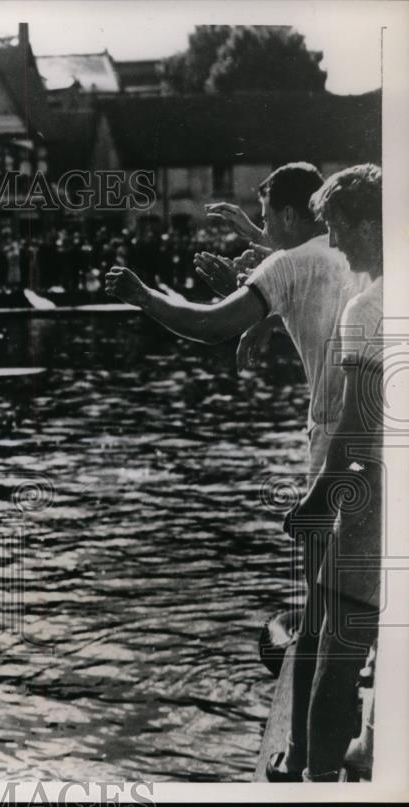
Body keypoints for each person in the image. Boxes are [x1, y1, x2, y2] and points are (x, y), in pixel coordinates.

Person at [104, 162, 373, 776]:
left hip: (335, 437)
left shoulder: (286, 264)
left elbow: (210, 323)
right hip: (378, 433)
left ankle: (303, 759)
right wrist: (269, 317)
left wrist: (145, 298)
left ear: (285, 215)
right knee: (357, 603)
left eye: (268, 216)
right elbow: (329, 319)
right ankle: (361, 735)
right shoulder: (352, 254)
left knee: (319, 616)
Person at [275, 164, 383, 782]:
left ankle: (314, 785)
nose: (335, 241)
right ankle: (371, 741)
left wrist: (319, 499)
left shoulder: (366, 308)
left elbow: (356, 427)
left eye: (340, 227)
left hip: (377, 496)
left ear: (371, 224)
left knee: (334, 658)